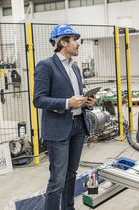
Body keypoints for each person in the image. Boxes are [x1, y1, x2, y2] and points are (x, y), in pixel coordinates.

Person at [33, 24, 96, 210]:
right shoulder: (46, 66)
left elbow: (76, 95)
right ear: (63, 42)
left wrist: (86, 102)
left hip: (77, 127)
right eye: (74, 40)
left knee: (71, 175)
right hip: (58, 129)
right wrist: (67, 103)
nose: (78, 44)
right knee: (57, 181)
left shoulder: (75, 68)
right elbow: (39, 100)